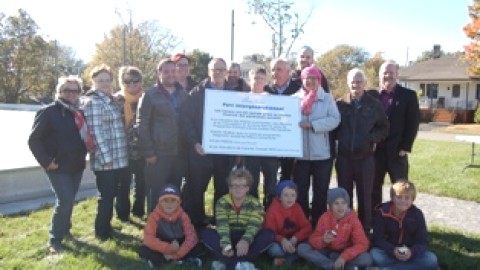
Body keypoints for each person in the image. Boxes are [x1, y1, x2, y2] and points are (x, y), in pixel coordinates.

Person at [28, 75, 89, 253]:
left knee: (69, 200)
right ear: (59, 92)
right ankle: (54, 239)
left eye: (75, 90)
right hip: (57, 166)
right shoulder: (48, 112)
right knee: (64, 201)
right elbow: (34, 140)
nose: (71, 94)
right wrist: (46, 161)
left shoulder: (79, 112)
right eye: (66, 90)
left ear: (79, 93)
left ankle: (66, 231)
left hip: (76, 165)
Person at [180, 57, 238, 229]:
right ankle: (196, 224)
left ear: (227, 72)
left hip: (224, 152)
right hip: (201, 151)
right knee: (196, 189)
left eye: (221, 69)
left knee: (222, 189)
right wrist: (194, 143)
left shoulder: (234, 95)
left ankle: (219, 222)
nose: (218, 73)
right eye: (214, 69)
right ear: (209, 71)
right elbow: (186, 121)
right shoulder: (196, 93)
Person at [334, 68, 389, 234]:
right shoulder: (340, 104)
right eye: (352, 82)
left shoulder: (374, 104)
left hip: (365, 159)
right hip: (344, 159)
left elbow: (384, 128)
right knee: (344, 195)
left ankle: (365, 230)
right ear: (348, 83)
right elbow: (333, 127)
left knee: (365, 196)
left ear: (365, 83)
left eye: (359, 81)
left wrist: (371, 138)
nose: (355, 85)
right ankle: (345, 229)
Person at [82, 64, 128, 240]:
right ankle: (101, 232)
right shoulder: (93, 102)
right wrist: (106, 158)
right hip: (106, 159)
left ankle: (107, 227)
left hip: (119, 158)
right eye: (100, 80)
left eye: (108, 80)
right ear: (93, 81)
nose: (105, 83)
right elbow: (96, 131)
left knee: (112, 194)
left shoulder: (110, 100)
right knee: (107, 196)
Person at [138, 59, 189, 213]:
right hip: (158, 154)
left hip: (179, 153)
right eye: (166, 71)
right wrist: (149, 152)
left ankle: (171, 225)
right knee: (156, 193)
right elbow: (142, 124)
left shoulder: (183, 94)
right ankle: (153, 229)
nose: (170, 75)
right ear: (159, 73)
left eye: (173, 71)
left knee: (174, 192)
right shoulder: (150, 95)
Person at [370, 60, 420, 213]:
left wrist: (405, 147)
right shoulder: (371, 96)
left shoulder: (408, 96)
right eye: (385, 72)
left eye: (391, 72)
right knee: (374, 188)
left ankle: (401, 221)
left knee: (400, 190)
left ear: (397, 74)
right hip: (376, 152)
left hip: (397, 152)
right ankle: (376, 219)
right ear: (379, 75)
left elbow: (413, 123)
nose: (388, 75)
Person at [293, 65, 340, 227]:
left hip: (322, 155)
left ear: (319, 80)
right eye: (307, 78)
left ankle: (319, 225)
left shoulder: (327, 98)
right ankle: (303, 224)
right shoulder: (293, 99)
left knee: (320, 192)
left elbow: (335, 119)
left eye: (314, 78)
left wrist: (312, 124)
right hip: (300, 156)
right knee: (301, 192)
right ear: (302, 80)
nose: (310, 81)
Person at [201, 168, 274, 270]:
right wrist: (226, 245)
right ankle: (240, 264)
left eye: (242, 186)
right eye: (234, 186)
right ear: (230, 188)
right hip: (229, 235)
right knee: (206, 233)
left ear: (247, 188)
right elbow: (223, 226)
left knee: (269, 235)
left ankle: (226, 262)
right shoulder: (222, 202)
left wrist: (246, 240)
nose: (238, 189)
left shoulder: (255, 203)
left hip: (246, 236)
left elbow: (253, 226)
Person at [298, 187, 372, 269]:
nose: (340, 207)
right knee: (302, 248)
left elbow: (363, 243)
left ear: (347, 204)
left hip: (345, 251)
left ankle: (338, 263)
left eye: (343, 203)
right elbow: (313, 239)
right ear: (330, 206)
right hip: (327, 250)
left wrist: (344, 256)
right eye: (336, 203)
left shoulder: (352, 219)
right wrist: (323, 240)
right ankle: (332, 265)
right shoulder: (325, 217)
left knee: (366, 259)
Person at [370, 181, 439, 270]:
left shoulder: (417, 214)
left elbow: (423, 241)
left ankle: (389, 269)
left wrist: (412, 252)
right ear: (392, 198)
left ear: (412, 199)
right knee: (375, 254)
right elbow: (378, 239)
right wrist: (393, 250)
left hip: (410, 253)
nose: (403, 201)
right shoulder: (382, 212)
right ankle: (408, 267)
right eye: (399, 197)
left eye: (407, 198)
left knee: (431, 259)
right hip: (389, 252)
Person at [138, 184, 204, 268]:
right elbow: (149, 239)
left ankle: (163, 260)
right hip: (162, 243)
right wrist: (169, 248)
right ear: (159, 202)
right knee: (144, 249)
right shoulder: (153, 216)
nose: (169, 204)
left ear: (179, 202)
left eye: (173, 200)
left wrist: (177, 254)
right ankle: (181, 260)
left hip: (179, 243)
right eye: (165, 200)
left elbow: (191, 238)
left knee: (199, 246)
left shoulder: (183, 216)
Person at [243, 67, 279, 208]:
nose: (258, 81)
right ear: (248, 80)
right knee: (251, 183)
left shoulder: (273, 100)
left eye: (261, 79)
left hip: (269, 149)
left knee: (270, 184)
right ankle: (253, 213)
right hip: (250, 149)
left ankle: (270, 212)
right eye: (255, 78)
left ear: (266, 81)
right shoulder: (242, 100)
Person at [114, 66, 146, 221]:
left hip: (143, 150)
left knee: (142, 183)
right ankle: (122, 214)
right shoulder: (116, 100)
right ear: (122, 82)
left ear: (141, 81)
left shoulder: (147, 98)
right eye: (127, 81)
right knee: (123, 184)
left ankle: (139, 211)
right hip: (122, 150)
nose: (132, 84)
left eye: (136, 80)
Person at [265, 58, 302, 181]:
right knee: (270, 181)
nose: (275, 73)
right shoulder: (266, 90)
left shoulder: (299, 89)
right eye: (273, 70)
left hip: (291, 144)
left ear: (288, 71)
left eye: (279, 69)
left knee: (288, 181)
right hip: (270, 143)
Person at [263, 180, 312, 266]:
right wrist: (282, 240)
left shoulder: (297, 207)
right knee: (275, 250)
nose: (290, 198)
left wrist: (296, 238)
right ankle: (296, 255)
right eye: (286, 195)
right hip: (279, 241)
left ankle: (285, 260)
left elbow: (307, 227)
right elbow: (269, 232)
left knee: (310, 243)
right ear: (279, 197)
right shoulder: (272, 210)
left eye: (293, 195)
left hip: (294, 240)